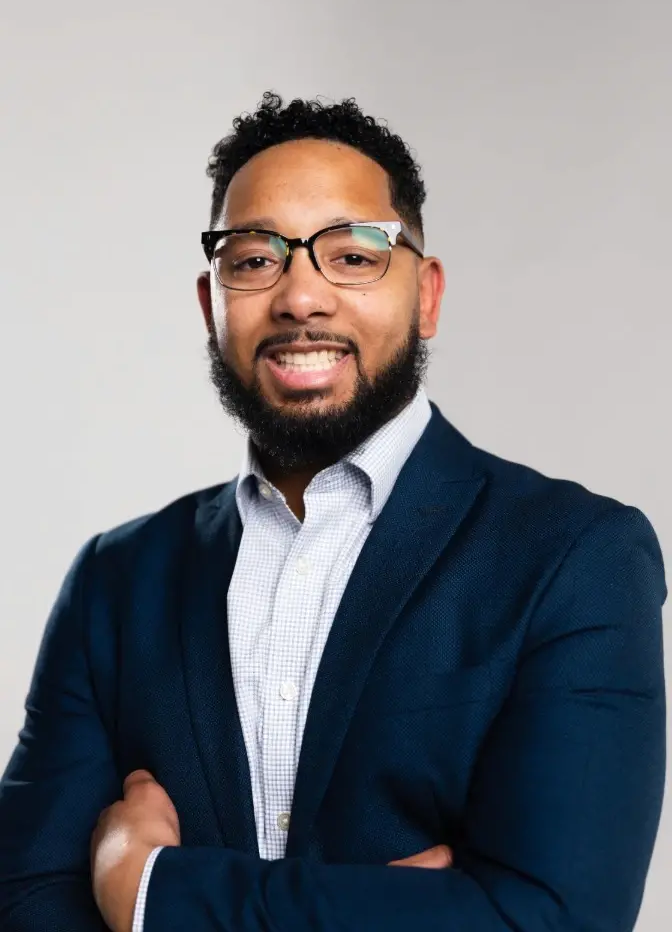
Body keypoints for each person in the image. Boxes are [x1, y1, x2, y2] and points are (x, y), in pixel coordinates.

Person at [0, 91, 666, 932]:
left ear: (425, 294)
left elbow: (554, 918)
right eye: (254, 259)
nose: (301, 298)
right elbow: (24, 901)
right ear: (212, 306)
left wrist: (150, 893)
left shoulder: (575, 559)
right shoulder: (116, 580)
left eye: (353, 256)